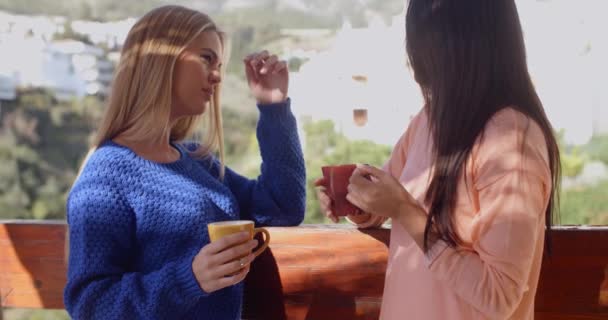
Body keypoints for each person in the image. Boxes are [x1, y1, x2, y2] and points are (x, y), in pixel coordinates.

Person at [316, 1, 561, 319]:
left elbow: (499, 295)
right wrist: (356, 202)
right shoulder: (429, 119)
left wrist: (405, 211)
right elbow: (389, 200)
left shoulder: (511, 139)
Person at [64, 5, 305, 320]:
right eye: (206, 59)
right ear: (160, 60)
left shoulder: (198, 161)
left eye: (219, 64)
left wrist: (273, 107)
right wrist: (190, 279)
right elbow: (90, 304)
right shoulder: (106, 176)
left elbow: (283, 206)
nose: (217, 76)